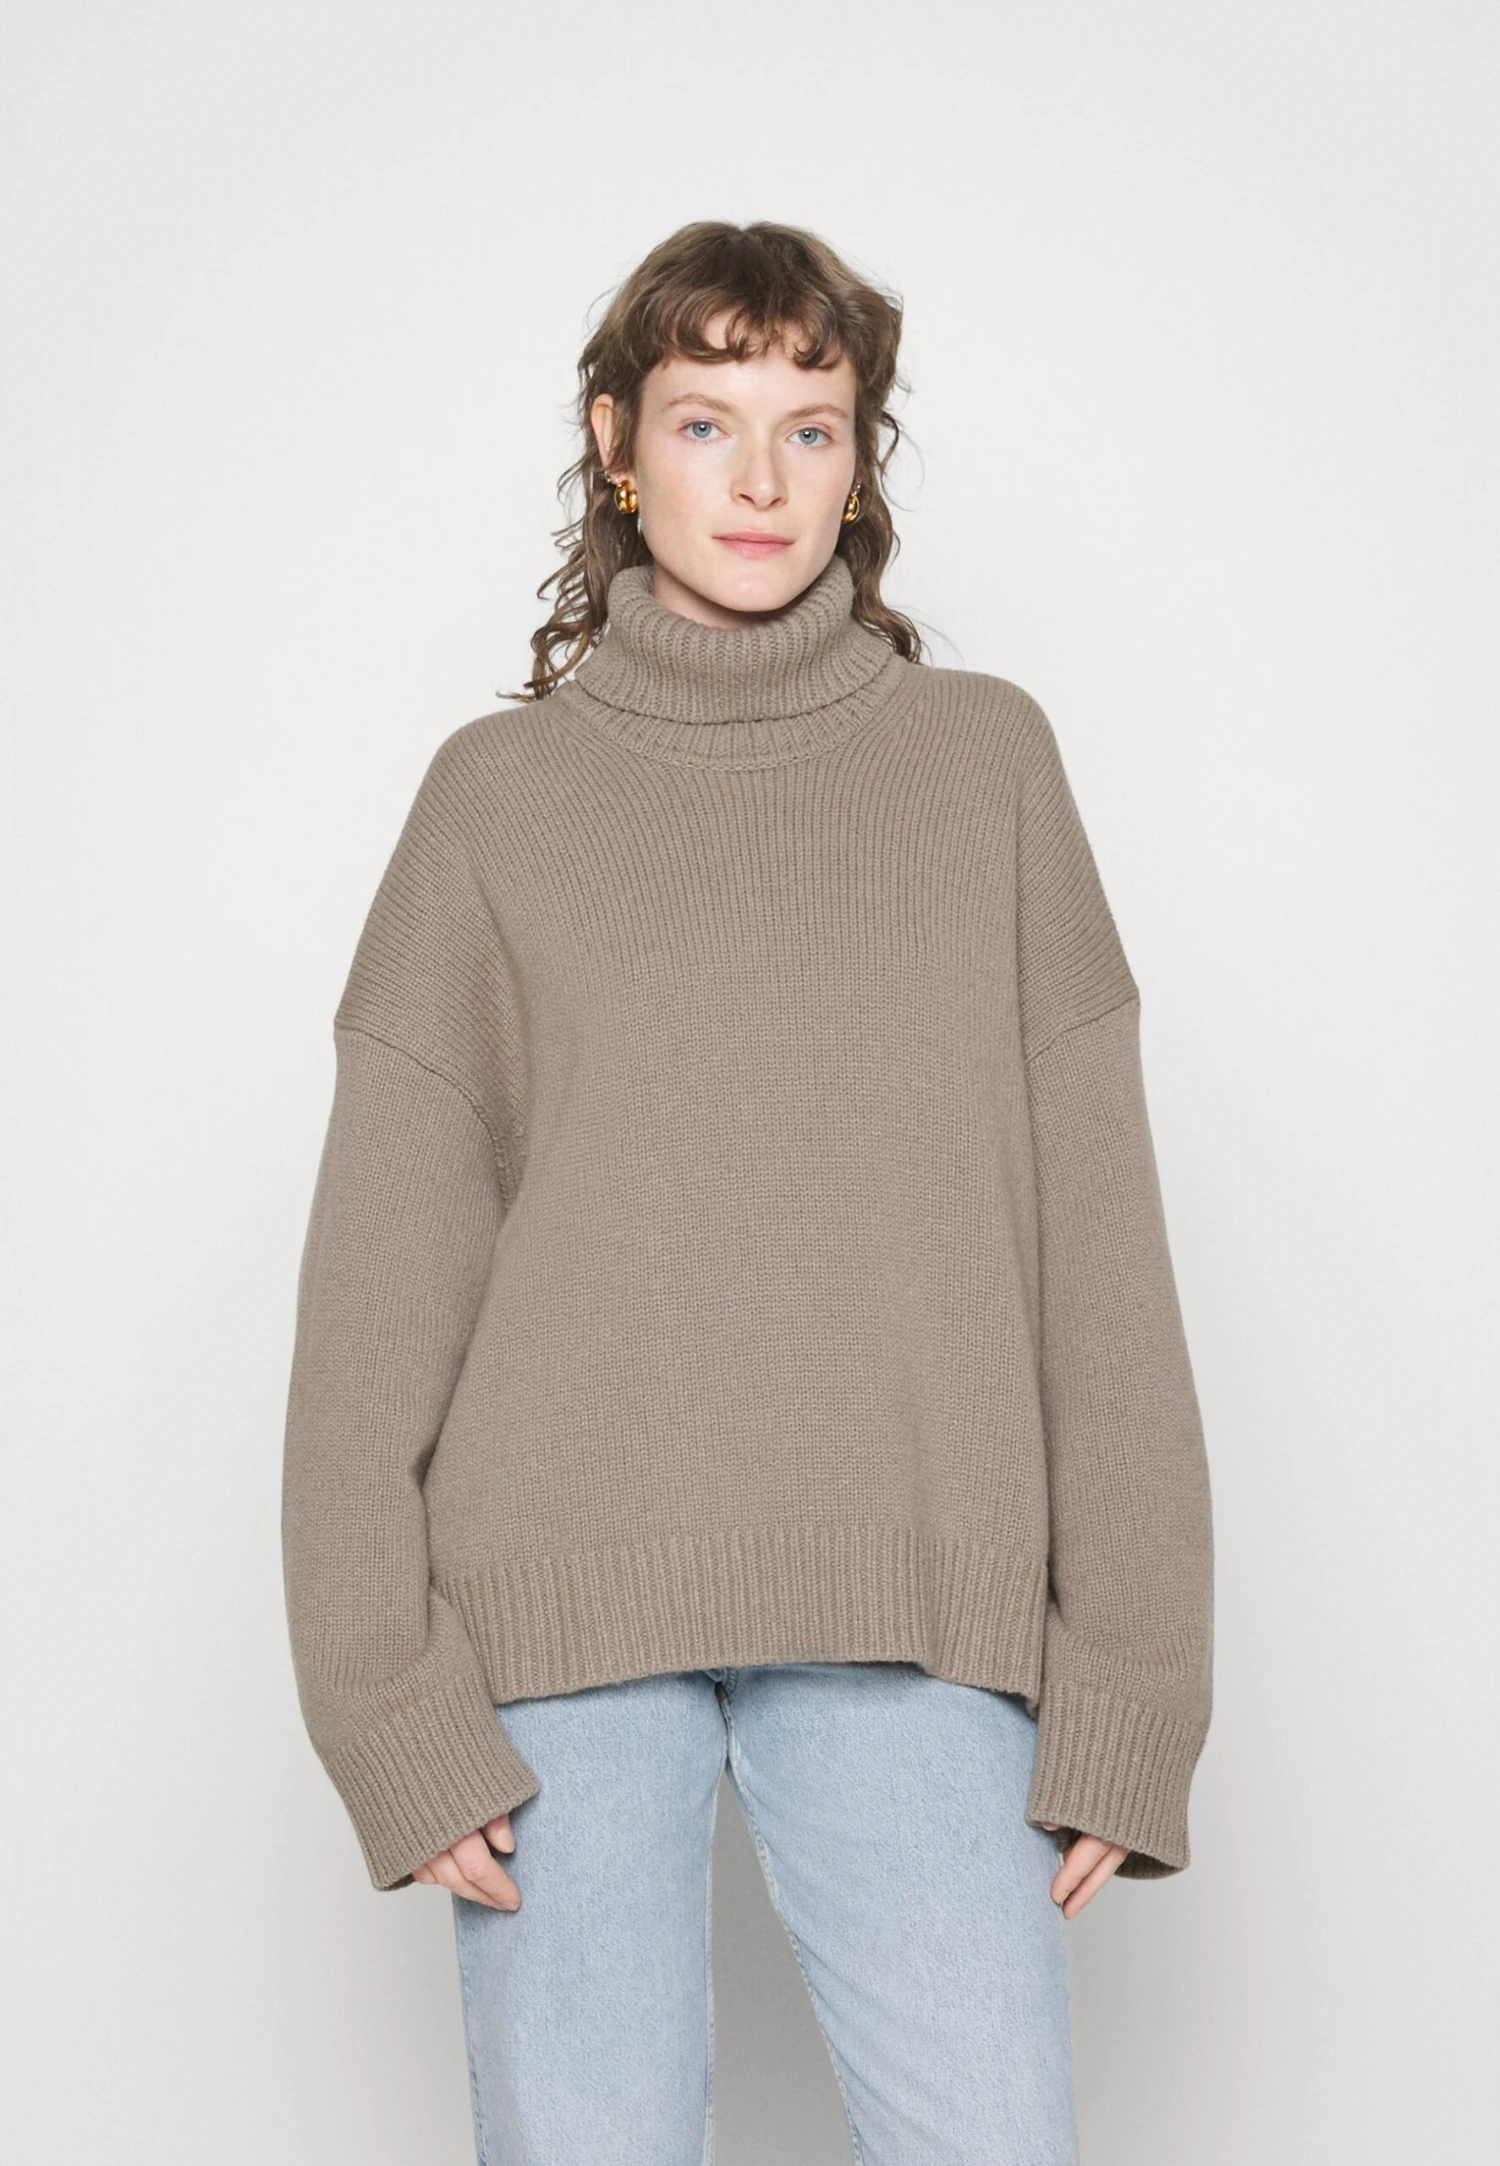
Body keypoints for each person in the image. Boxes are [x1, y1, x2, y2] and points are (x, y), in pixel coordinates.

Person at [281, 218, 1214, 2165]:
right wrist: (382, 1699)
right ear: (618, 446)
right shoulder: (496, 803)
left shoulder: (985, 768)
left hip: (912, 1593)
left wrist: (1133, 1684)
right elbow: (380, 1283)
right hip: (550, 1624)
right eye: (709, 421)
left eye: (815, 423)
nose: (765, 477)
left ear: (863, 458)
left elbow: (1102, 1258)